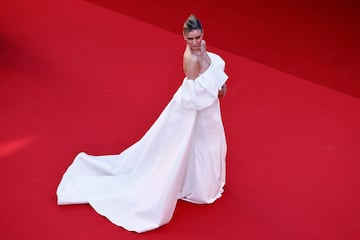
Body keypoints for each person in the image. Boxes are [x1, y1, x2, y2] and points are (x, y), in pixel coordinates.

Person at [56, 14, 228, 233]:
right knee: (199, 146)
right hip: (196, 112)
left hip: (209, 109)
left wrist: (221, 81)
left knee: (211, 145)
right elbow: (194, 95)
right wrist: (215, 87)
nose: (195, 43)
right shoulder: (190, 59)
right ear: (183, 37)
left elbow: (211, 69)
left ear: (202, 34)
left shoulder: (202, 47)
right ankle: (199, 188)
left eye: (198, 37)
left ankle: (202, 185)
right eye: (190, 39)